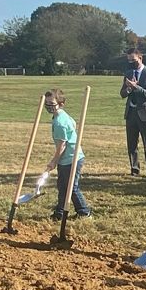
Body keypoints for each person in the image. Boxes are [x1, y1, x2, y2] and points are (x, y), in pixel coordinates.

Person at [40, 88, 92, 220]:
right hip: (68, 158)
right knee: (63, 186)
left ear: (61, 104)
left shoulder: (60, 122)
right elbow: (73, 125)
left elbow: (61, 146)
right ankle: (60, 212)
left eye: (52, 104)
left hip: (71, 158)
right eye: (47, 103)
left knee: (71, 187)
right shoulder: (62, 115)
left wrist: (53, 162)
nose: (49, 107)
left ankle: (84, 212)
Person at [120, 48, 146, 177]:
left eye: (134, 60)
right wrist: (129, 89)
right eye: (129, 60)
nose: (131, 63)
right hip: (131, 113)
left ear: (140, 58)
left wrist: (136, 87)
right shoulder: (128, 73)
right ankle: (134, 169)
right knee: (132, 144)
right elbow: (122, 93)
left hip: (145, 113)